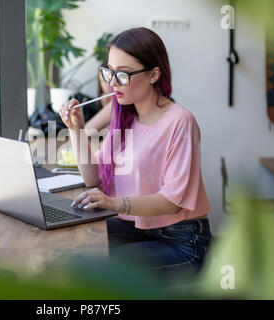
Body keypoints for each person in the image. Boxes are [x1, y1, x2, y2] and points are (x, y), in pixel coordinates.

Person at [59, 27, 212, 277]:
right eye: (109, 72)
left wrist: (113, 202)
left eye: (123, 75)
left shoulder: (181, 122)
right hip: (140, 227)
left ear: (153, 75)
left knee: (100, 265)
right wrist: (75, 129)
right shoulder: (125, 115)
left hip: (183, 242)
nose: (111, 83)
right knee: (75, 245)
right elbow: (93, 179)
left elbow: (172, 203)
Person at [83, 63, 113, 135]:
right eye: (103, 81)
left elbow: (85, 133)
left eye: (110, 79)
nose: (108, 85)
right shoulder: (98, 103)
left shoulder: (116, 104)